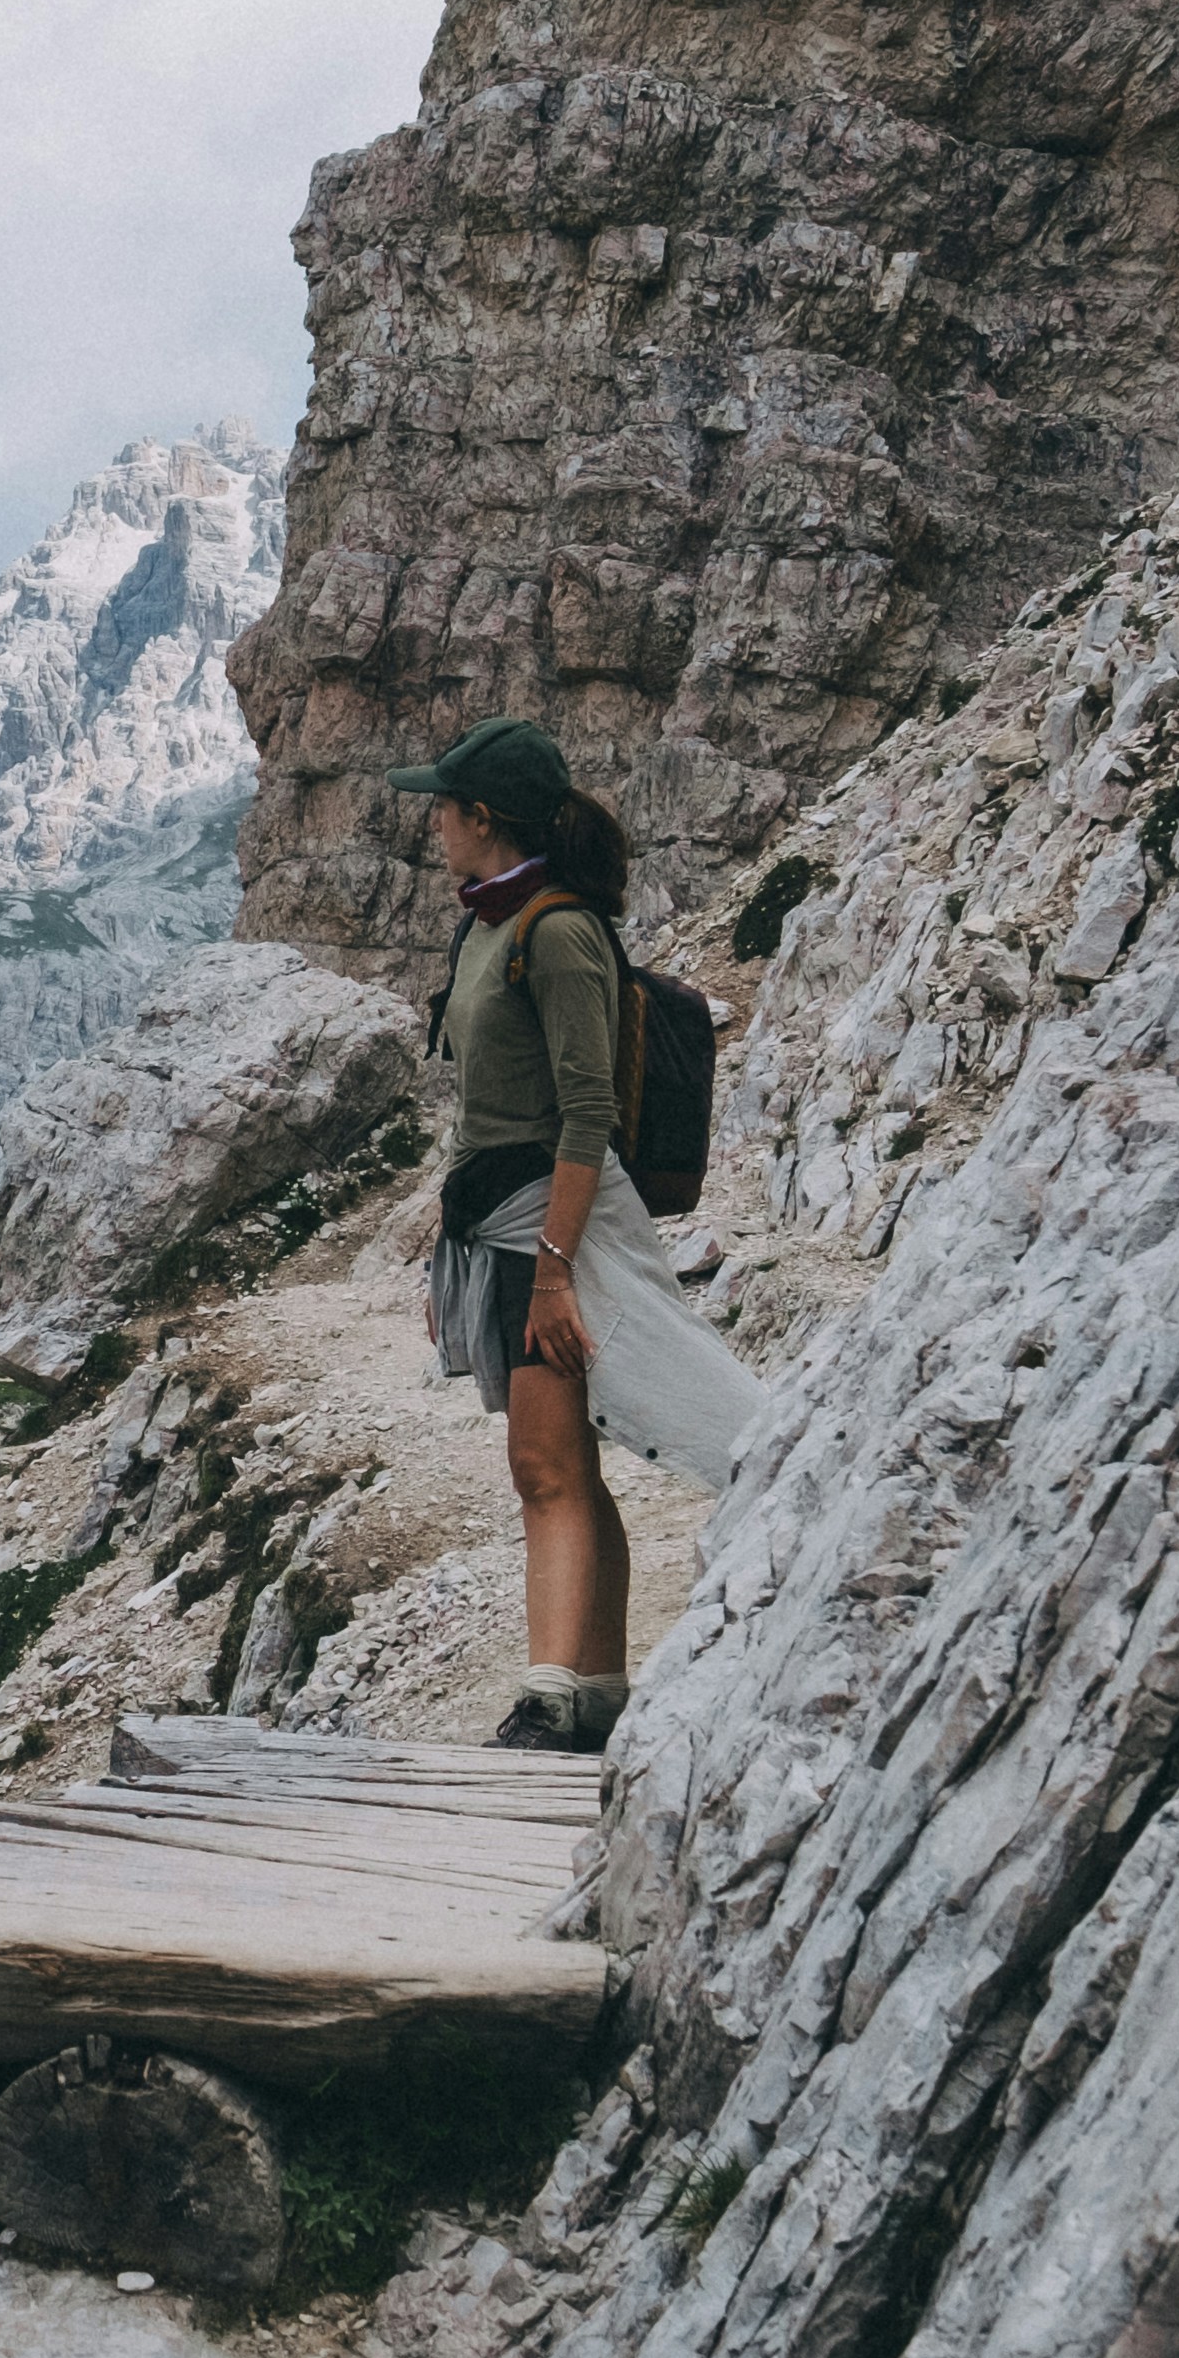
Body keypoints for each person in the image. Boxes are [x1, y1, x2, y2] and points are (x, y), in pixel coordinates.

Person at [388, 718, 766, 1754]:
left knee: (543, 1468)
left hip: (551, 1228)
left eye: (443, 807)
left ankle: (549, 1698)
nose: (432, 825)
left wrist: (554, 1272)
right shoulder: (486, 926)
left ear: (482, 818)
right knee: (563, 1466)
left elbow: (585, 1113)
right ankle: (596, 1688)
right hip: (501, 1226)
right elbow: (479, 1114)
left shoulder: (557, 932)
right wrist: (449, 1253)